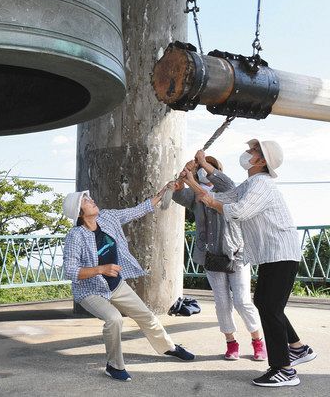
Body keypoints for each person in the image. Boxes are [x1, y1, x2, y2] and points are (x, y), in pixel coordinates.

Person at [200, 139, 316, 387]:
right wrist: (195, 174)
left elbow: (238, 210)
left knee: (270, 308)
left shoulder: (262, 184)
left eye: (252, 151)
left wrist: (211, 201)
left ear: (261, 160)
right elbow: (226, 193)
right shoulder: (251, 183)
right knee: (265, 303)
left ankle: (284, 370)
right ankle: (298, 349)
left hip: (281, 253)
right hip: (271, 254)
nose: (246, 153)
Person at [62, 188, 195, 382]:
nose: (91, 200)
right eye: (86, 201)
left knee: (146, 315)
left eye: (90, 197)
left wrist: (165, 190)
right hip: (90, 291)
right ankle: (114, 366)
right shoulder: (76, 236)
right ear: (80, 213)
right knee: (114, 319)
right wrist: (101, 269)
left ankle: (169, 347)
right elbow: (70, 270)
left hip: (115, 285)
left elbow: (138, 210)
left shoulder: (107, 217)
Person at [173, 150, 266, 361]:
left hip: (236, 253)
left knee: (242, 301)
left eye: (209, 167)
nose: (205, 172)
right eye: (202, 169)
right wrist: (186, 172)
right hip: (210, 255)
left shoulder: (230, 190)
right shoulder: (194, 196)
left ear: (216, 170)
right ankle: (231, 343)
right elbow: (178, 193)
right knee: (222, 302)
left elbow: (220, 189)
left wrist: (203, 162)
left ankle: (257, 341)